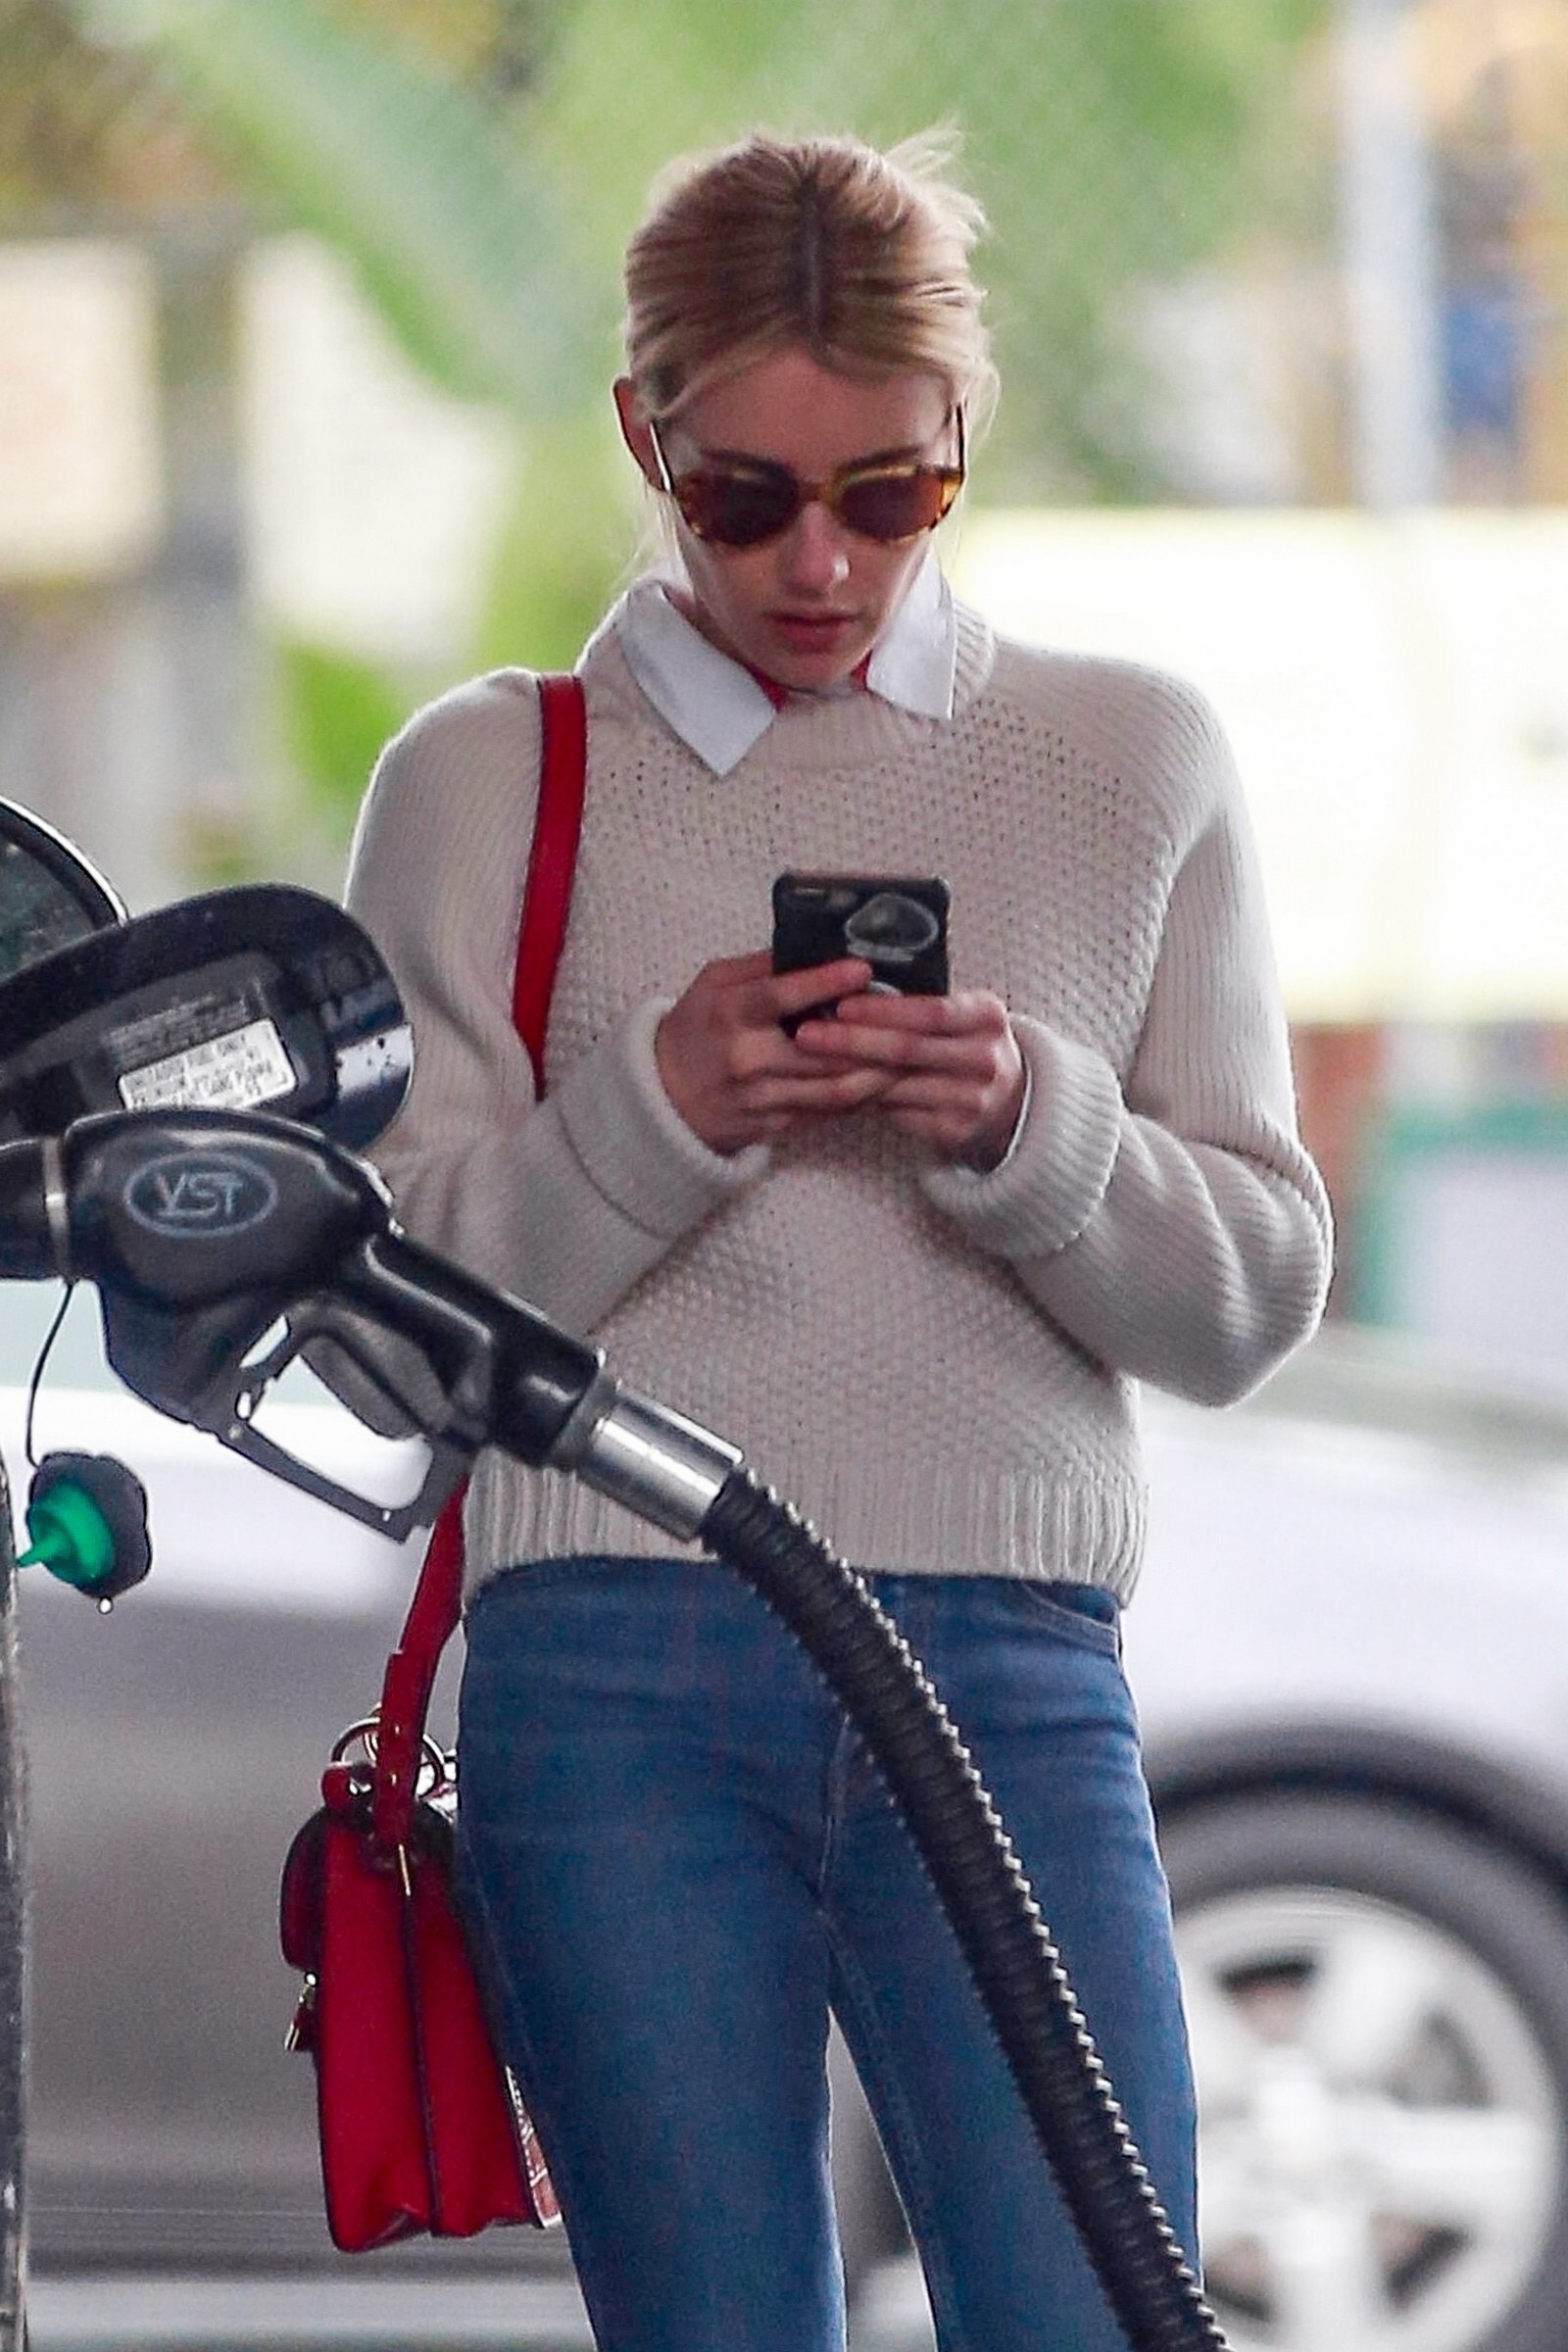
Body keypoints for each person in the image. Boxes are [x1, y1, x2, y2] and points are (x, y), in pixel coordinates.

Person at [341, 128, 1333, 2352]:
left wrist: (1028, 1126)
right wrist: (656, 1115)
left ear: (961, 434)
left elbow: (1255, 1294)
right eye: (743, 496)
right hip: (607, 1665)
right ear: (643, 438)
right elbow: (388, 1343)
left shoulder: (1127, 760)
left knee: (1091, 2310)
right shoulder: (487, 782)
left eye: (891, 492)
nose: (821, 562)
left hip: (1008, 1667)